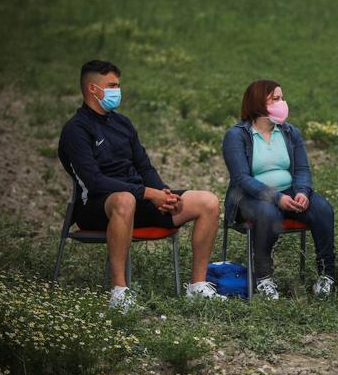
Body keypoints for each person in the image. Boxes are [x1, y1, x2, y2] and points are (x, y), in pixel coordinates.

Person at [58, 60, 224, 311]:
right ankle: (119, 292)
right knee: (125, 199)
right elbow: (94, 181)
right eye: (111, 85)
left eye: (118, 85)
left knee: (208, 201)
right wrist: (148, 193)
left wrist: (163, 192)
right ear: (93, 89)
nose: (117, 91)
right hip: (96, 205)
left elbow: (144, 166)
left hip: (140, 198)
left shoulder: (122, 123)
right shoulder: (76, 130)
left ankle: (197, 287)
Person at [222, 79, 335, 299]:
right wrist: (275, 197)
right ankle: (264, 278)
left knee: (323, 210)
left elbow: (302, 169)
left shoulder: (290, 132)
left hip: (289, 190)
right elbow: (241, 178)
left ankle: (326, 275)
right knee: (268, 213)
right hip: (250, 196)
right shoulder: (236, 135)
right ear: (257, 102)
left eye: (282, 98)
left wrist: (302, 192)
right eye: (276, 98)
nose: (282, 102)